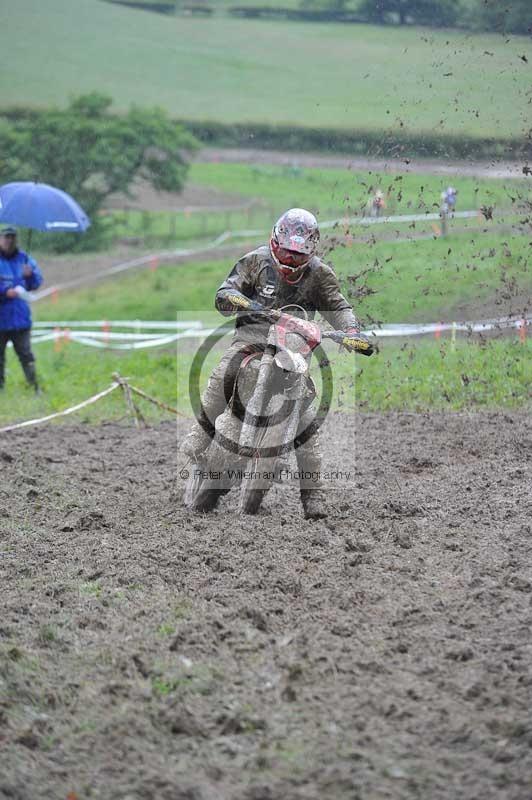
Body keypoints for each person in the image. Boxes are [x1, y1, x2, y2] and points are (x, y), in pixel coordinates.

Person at [181, 208, 373, 519]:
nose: (291, 260)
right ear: (275, 242)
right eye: (286, 252)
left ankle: (314, 497)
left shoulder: (320, 274)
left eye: (298, 255)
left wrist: (351, 332)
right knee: (221, 381)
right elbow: (225, 293)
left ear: (309, 252)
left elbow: (339, 306)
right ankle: (197, 441)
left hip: (293, 351)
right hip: (250, 342)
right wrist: (236, 298)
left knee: (308, 423)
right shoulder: (255, 261)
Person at [0, 226, 43, 392]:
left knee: (26, 354)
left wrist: (30, 275)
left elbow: (36, 283)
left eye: (12, 237)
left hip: (20, 318)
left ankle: (34, 386)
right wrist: (4, 291)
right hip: (1, 316)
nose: (9, 240)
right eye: (6, 237)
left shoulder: (25, 259)